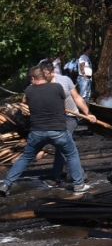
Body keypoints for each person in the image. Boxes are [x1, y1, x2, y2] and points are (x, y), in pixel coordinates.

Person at [1, 66, 89, 196]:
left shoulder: (29, 90)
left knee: (25, 158)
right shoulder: (57, 87)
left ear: (32, 78)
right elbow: (62, 107)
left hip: (37, 132)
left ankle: (6, 184)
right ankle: (79, 185)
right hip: (58, 130)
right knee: (71, 154)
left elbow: (24, 100)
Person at [39, 61, 96, 187]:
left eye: (46, 74)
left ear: (52, 72)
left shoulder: (64, 80)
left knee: (63, 144)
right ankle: (61, 174)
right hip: (56, 119)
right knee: (61, 145)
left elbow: (77, 98)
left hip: (71, 117)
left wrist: (87, 113)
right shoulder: (41, 85)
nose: (43, 76)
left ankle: (61, 176)